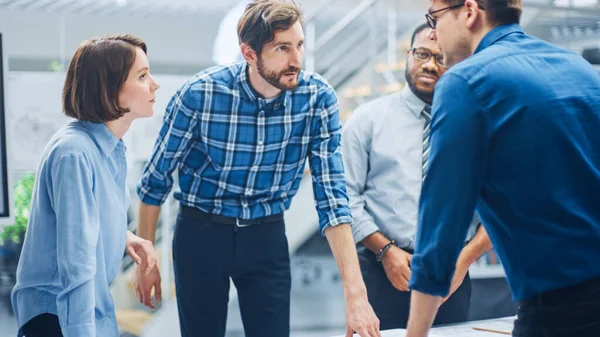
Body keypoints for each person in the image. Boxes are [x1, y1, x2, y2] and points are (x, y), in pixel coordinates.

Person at [134, 1, 380, 337]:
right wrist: (145, 262)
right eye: (282, 48)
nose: (296, 60)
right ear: (249, 54)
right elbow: (155, 181)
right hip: (201, 233)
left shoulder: (317, 99)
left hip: (266, 236)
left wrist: (357, 297)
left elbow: (333, 199)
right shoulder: (200, 93)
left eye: (299, 45)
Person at [406, 1, 600, 336]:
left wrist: (416, 332)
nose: (434, 34)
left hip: (561, 314)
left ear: (469, 11)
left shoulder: (464, 83)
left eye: (434, 19)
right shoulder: (579, 68)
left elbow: (441, 226)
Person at [342, 23, 492, 330]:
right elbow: (344, 198)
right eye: (422, 53)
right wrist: (385, 251)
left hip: (452, 275)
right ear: (408, 55)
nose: (428, 64)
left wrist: (463, 261)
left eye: (440, 57)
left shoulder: (477, 124)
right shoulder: (367, 120)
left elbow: (498, 204)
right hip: (381, 270)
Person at [11, 34, 161, 337]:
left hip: (87, 307)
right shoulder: (75, 153)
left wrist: (126, 237)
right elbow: (75, 262)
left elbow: (85, 221)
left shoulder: (108, 149)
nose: (154, 85)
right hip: (58, 315)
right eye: (143, 76)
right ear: (109, 88)